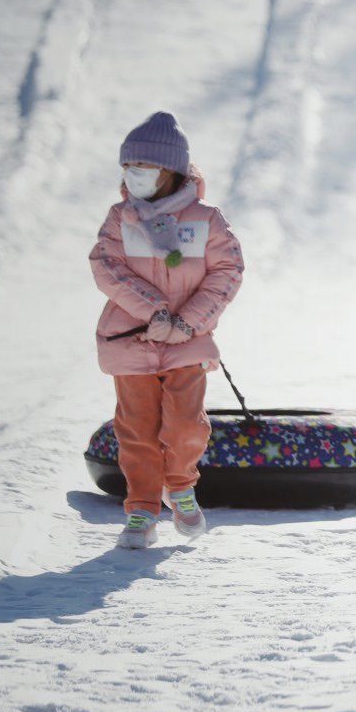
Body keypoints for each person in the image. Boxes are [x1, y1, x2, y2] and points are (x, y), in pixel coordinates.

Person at [90, 112, 244, 548]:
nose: (131, 176)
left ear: (169, 171)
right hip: (131, 338)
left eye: (142, 168)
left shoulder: (206, 219)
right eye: (126, 168)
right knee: (136, 428)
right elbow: (106, 266)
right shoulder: (121, 218)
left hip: (188, 341)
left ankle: (180, 487)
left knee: (183, 425)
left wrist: (188, 321)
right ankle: (141, 511)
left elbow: (228, 270)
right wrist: (152, 312)